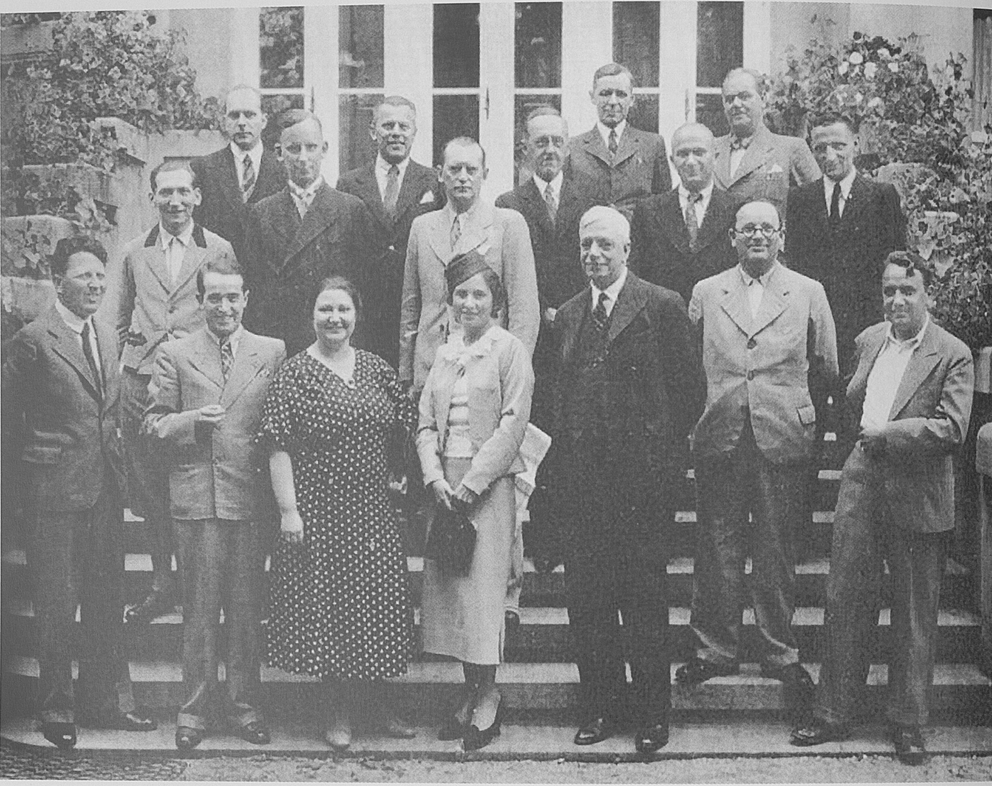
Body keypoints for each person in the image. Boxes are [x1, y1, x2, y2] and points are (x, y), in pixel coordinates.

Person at [791, 252, 974, 765]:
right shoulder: (869, 340)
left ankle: (908, 723)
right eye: (890, 290)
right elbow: (850, 402)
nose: (897, 300)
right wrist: (860, 444)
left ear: (927, 296)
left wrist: (888, 434)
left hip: (918, 490)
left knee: (914, 612)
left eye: (908, 291)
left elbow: (952, 427)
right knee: (845, 597)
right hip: (863, 482)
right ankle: (833, 712)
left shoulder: (951, 353)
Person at [551, 206, 704, 753]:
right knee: (589, 602)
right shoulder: (568, 315)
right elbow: (556, 399)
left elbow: (691, 392)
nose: (594, 253)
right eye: (586, 244)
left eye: (604, 245)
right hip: (582, 487)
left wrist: (658, 456)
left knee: (642, 601)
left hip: (642, 488)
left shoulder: (661, 305)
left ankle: (651, 714)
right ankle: (600, 708)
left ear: (627, 250)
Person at [2, 237, 156, 748]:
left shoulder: (107, 336)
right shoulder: (33, 339)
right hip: (54, 494)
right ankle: (57, 707)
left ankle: (103, 703)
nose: (95, 284)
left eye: (99, 276)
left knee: (105, 601)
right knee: (55, 603)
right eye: (84, 275)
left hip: (105, 491)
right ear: (57, 280)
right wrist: (30, 482)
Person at [680, 200, 837, 701]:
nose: (757, 236)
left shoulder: (809, 292)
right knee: (716, 544)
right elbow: (689, 362)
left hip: (782, 434)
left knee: (776, 546)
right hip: (720, 433)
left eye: (767, 228)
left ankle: (779, 651)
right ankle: (714, 649)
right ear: (732, 237)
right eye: (747, 229)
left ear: (782, 236)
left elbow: (827, 365)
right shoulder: (707, 291)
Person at [260, 276, 416, 751]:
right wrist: (289, 510)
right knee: (328, 609)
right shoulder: (293, 373)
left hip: (372, 510)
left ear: (357, 315)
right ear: (312, 314)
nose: (335, 318)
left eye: (343, 310)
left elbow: (405, 423)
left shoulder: (375, 368)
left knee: (374, 606)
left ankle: (375, 704)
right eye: (326, 309)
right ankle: (337, 709)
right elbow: (276, 445)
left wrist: (400, 470)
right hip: (320, 511)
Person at [144, 257, 285, 750]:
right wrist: (190, 422)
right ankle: (195, 711)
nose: (224, 306)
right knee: (200, 612)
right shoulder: (177, 354)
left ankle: (245, 706)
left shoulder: (271, 351)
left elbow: (279, 426)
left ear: (246, 299)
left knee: (246, 611)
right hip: (198, 498)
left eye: (232, 297)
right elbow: (152, 424)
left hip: (250, 499)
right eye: (214, 297)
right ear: (199, 301)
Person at [416, 252, 534, 751]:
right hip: (446, 486)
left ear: (496, 302)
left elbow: (514, 423)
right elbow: (424, 422)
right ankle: (470, 689)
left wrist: (474, 482)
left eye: (479, 294)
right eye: (460, 293)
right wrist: (435, 477)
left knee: (484, 596)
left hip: (489, 487)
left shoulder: (507, 350)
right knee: (455, 595)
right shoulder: (443, 352)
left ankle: (489, 696)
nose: (468, 302)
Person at [116, 160, 238, 625]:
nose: (175, 201)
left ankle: (200, 588)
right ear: (153, 198)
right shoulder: (134, 251)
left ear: (198, 196)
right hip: (142, 382)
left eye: (183, 192)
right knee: (148, 490)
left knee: (191, 482)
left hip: (195, 381)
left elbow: (227, 314)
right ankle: (161, 583)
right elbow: (120, 314)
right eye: (165, 193)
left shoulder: (218, 248)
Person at [400, 136, 540, 394]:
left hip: (487, 366)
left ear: (484, 174)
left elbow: (524, 310)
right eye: (454, 169)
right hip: (431, 366)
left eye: (471, 170)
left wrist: (514, 372)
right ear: (440, 174)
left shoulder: (507, 224)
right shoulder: (422, 226)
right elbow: (411, 304)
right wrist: (408, 374)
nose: (463, 177)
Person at [495, 107, 599, 430]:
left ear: (568, 148)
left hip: (582, 325)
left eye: (557, 142)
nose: (550, 150)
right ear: (525, 149)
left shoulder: (591, 197)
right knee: (535, 419)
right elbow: (508, 273)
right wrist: (541, 311)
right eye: (541, 143)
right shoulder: (508, 204)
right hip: (532, 330)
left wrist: (569, 311)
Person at [242, 110, 376, 358]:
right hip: (281, 342)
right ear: (279, 153)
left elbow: (366, 289)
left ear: (324, 149)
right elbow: (255, 292)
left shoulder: (350, 209)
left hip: (337, 340)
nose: (303, 157)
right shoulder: (262, 214)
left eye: (311, 147)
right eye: (293, 148)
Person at [786, 113, 906, 373]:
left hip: (867, 322)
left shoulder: (882, 196)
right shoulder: (799, 200)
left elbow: (897, 265)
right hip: (814, 326)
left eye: (838, 146)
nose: (829, 156)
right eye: (820, 148)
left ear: (856, 144)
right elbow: (794, 268)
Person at [336, 96, 443, 368]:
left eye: (403, 126)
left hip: (414, 303)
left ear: (414, 133)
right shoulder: (349, 182)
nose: (396, 132)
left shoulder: (432, 180)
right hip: (367, 304)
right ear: (373, 131)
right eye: (388, 125)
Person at [629, 122, 737, 303]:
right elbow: (637, 275)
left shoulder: (736, 209)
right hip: (664, 320)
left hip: (720, 316)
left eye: (699, 152)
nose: (691, 161)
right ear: (672, 161)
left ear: (715, 157)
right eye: (683, 154)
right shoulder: (648, 211)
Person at [191, 85, 287, 261]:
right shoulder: (203, 169)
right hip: (219, 275)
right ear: (224, 122)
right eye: (234, 115)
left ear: (264, 121)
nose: (242, 123)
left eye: (250, 115)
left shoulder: (284, 170)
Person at [566, 63, 671, 221]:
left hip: (639, 238)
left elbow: (664, 203)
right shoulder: (574, 147)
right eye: (605, 93)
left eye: (621, 94)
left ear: (632, 99)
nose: (613, 101)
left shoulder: (652, 144)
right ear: (592, 97)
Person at [713, 68, 820, 213]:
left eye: (744, 96)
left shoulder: (791, 148)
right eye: (729, 99)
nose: (736, 104)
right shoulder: (710, 150)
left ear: (763, 98)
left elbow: (818, 208)